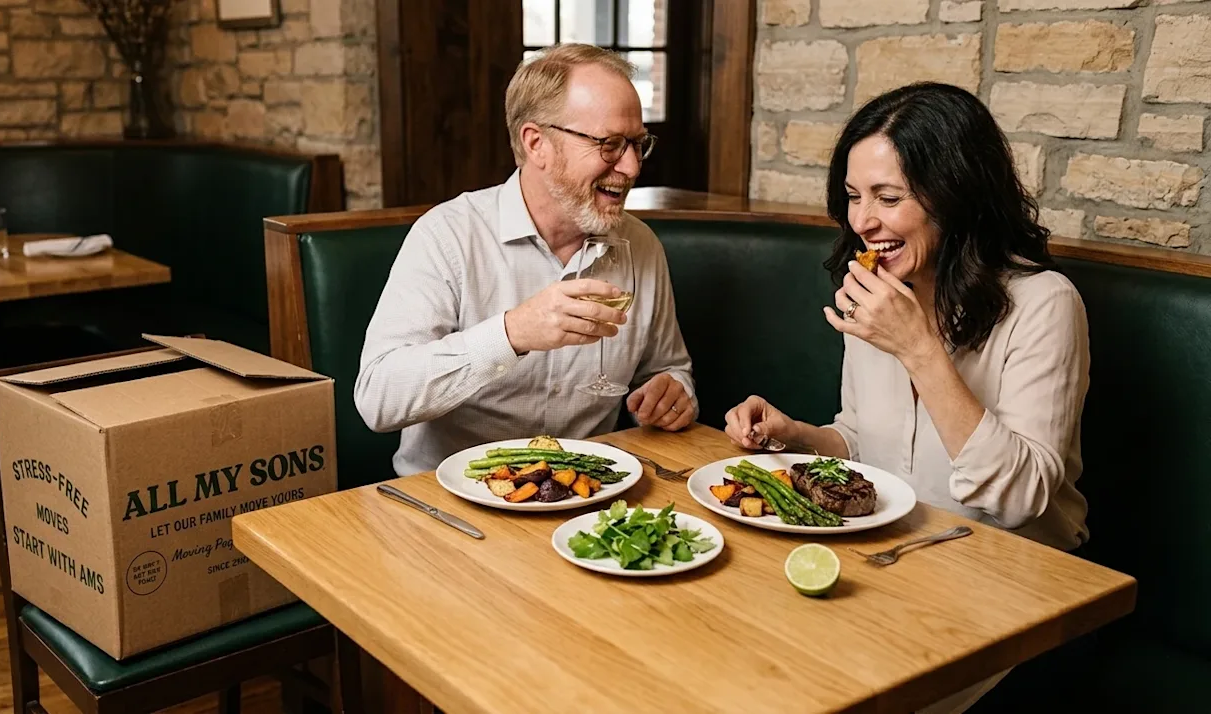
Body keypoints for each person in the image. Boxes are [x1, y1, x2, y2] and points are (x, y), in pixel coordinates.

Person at [724, 82, 1091, 713]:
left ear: (956, 195)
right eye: (853, 197)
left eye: (888, 198)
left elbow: (1021, 500)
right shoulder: (878, 288)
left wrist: (920, 349)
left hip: (1013, 589)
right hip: (899, 561)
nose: (863, 221)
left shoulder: (1044, 304)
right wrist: (797, 435)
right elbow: (867, 444)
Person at [356, 43, 697, 477]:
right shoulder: (448, 236)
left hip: (587, 498)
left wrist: (672, 393)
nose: (631, 166)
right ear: (536, 143)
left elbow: (669, 368)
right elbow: (377, 400)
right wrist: (511, 333)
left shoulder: (640, 245)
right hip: (450, 504)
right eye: (609, 145)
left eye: (637, 143)